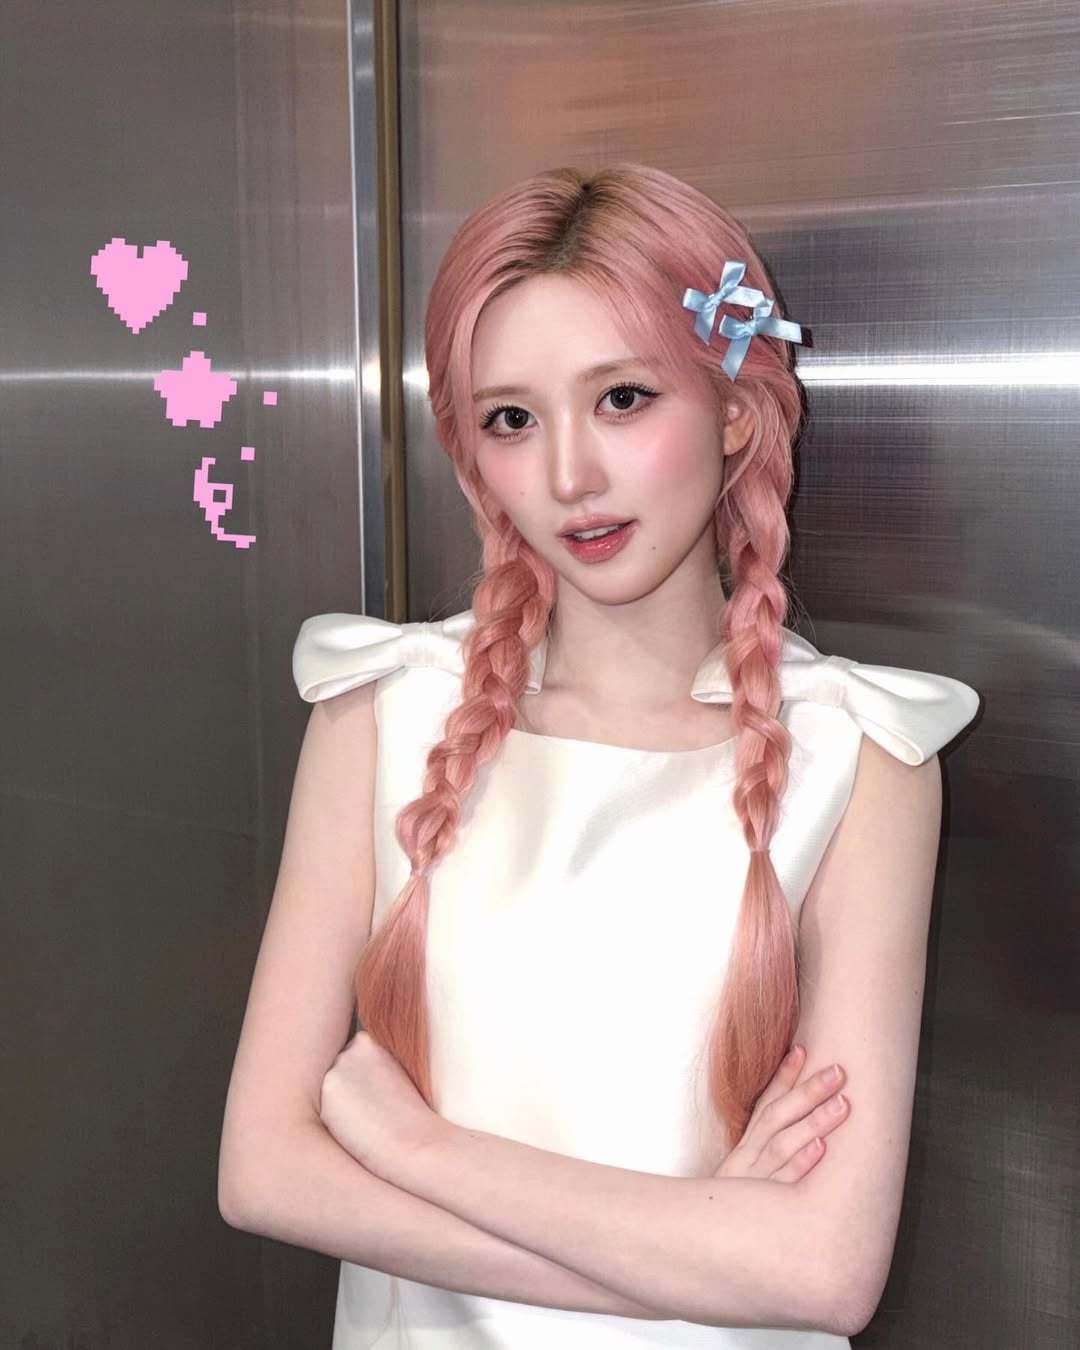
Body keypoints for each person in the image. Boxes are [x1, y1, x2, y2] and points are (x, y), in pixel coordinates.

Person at [218, 164, 980, 1348]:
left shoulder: (861, 755)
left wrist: (414, 1150)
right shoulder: (383, 714)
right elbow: (264, 1172)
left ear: (734, 407)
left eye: (623, 398)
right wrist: (706, 1250)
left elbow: (826, 1273)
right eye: (512, 420)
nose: (570, 477)